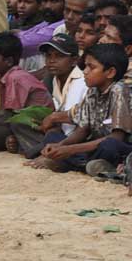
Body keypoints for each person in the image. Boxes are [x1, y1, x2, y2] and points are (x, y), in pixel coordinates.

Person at [30, 43, 132, 174]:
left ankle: (75, 164)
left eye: (91, 67)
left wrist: (70, 150)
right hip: (93, 147)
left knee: (109, 146)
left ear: (110, 72)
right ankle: (86, 165)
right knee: (53, 137)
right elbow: (83, 130)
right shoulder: (93, 90)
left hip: (116, 147)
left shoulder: (119, 90)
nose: (85, 71)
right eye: (85, 66)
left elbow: (117, 137)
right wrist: (60, 146)